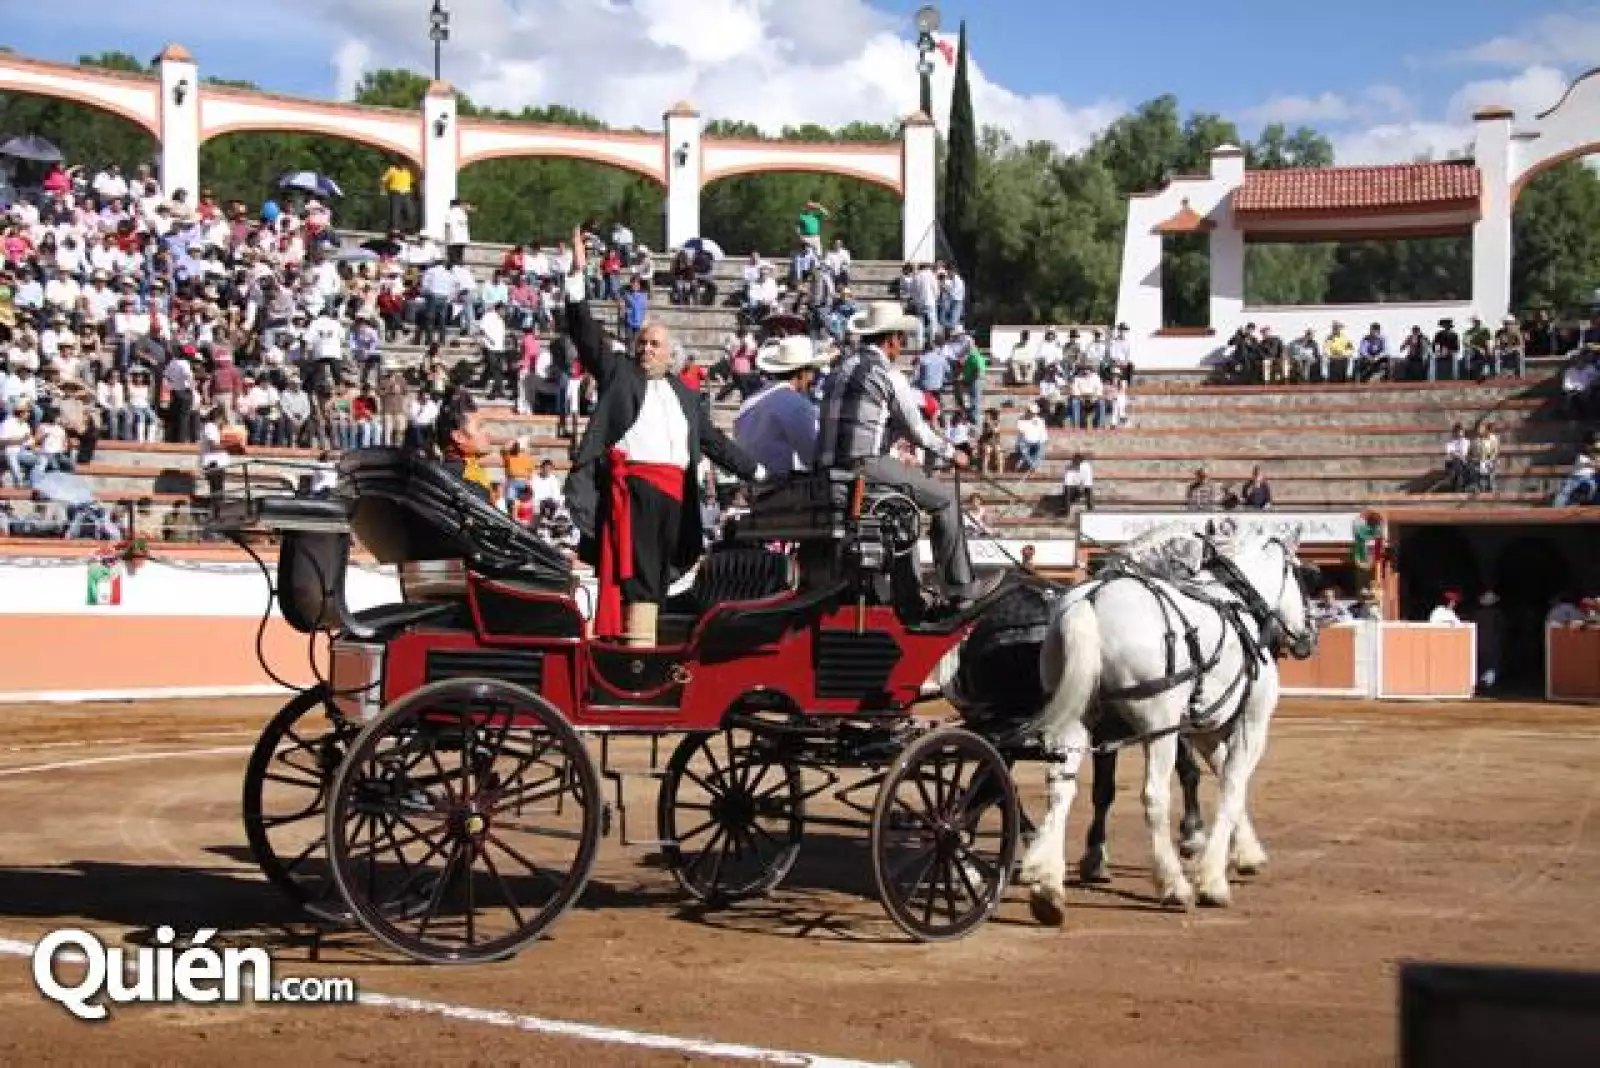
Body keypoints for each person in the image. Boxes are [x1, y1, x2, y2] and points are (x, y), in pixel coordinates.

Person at [562, 229, 762, 647]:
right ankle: (637, 653)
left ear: (671, 354)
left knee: (664, 572)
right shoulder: (620, 372)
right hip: (635, 490)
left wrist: (758, 470)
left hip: (678, 495)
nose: (646, 349)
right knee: (641, 573)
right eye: (642, 342)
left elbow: (715, 443)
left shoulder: (686, 397)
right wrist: (578, 276)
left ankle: (645, 650)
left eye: (654, 344)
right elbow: (584, 334)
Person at [816, 301, 999, 613]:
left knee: (906, 514)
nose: (901, 347)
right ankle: (959, 589)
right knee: (945, 500)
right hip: (865, 465)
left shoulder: (837, 373)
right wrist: (953, 453)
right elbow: (919, 432)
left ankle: (910, 597)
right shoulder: (888, 375)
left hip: (828, 469)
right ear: (889, 340)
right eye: (900, 339)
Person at [733, 336, 828, 478]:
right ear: (802, 374)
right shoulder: (797, 405)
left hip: (749, 482)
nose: (812, 378)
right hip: (776, 487)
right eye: (811, 372)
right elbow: (812, 456)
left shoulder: (751, 400)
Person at [1474, 590, 1505, 692]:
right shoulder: (1497, 614)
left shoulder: (1477, 614)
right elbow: (1501, 627)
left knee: (1482, 663)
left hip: (1479, 641)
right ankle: (1486, 683)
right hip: (1492, 642)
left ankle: (1481, 682)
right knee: (1493, 664)